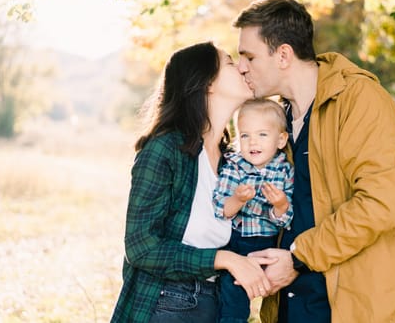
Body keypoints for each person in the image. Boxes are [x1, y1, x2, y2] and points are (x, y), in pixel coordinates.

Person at [233, 0, 395, 323]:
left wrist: (299, 256)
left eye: (249, 56)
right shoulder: (276, 118)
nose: (242, 66)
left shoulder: (361, 100)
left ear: (284, 55)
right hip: (289, 305)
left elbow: (380, 203)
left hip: (349, 301)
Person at [110, 42, 275, 323]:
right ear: (208, 83)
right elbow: (141, 247)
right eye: (231, 63)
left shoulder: (234, 162)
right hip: (166, 302)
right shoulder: (166, 149)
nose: (243, 67)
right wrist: (224, 259)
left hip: (217, 305)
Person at [213, 98, 294, 322]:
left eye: (262, 134)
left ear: (280, 140)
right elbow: (221, 209)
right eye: (245, 135)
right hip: (238, 243)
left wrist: (280, 205)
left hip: (270, 244)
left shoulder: (285, 169)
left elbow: (285, 220)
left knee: (281, 298)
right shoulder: (234, 166)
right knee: (234, 300)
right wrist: (238, 199)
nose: (252, 142)